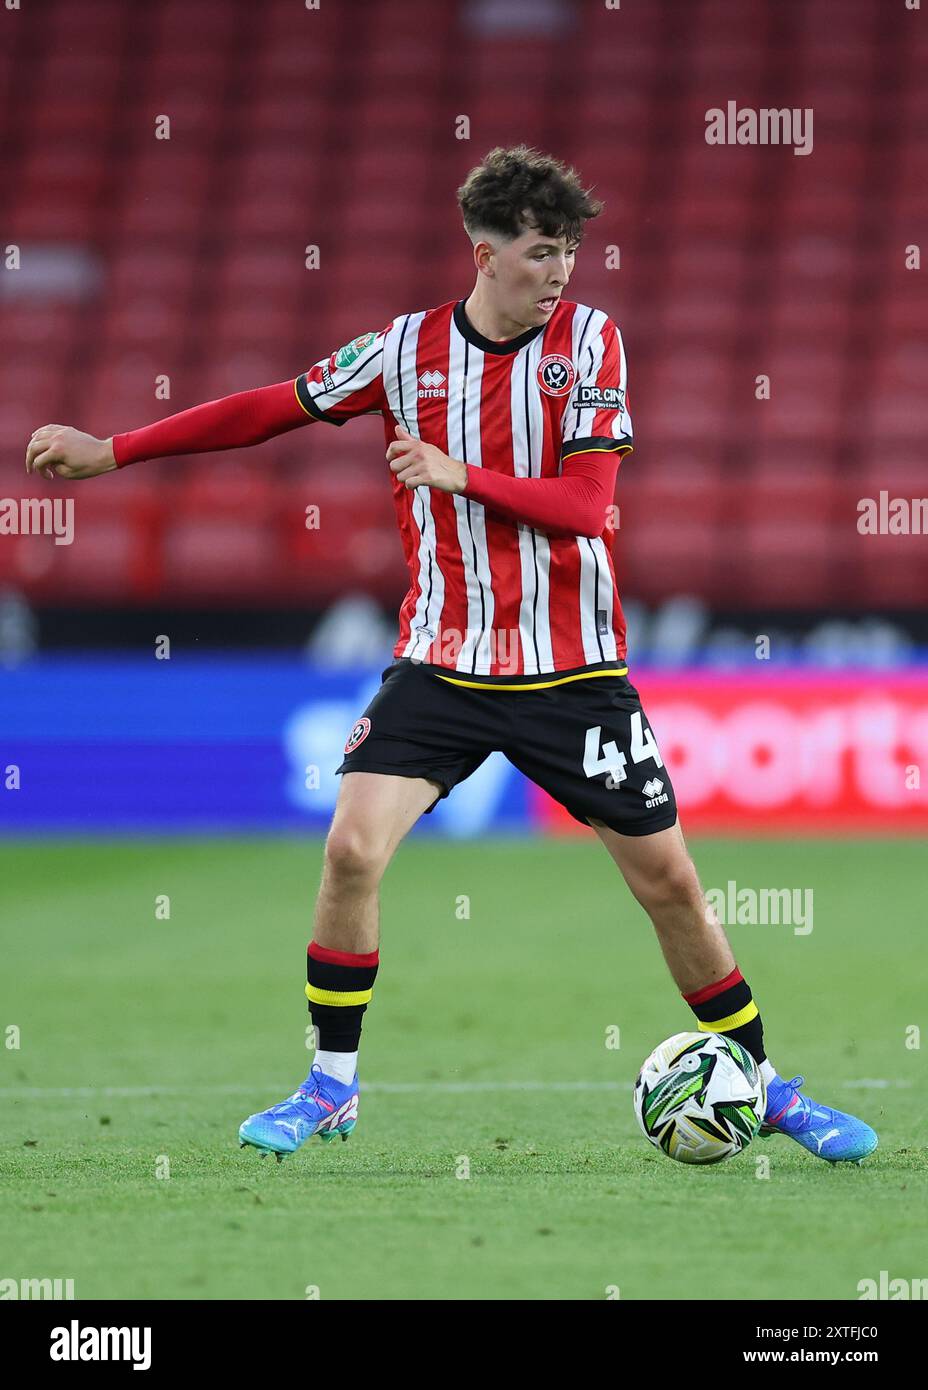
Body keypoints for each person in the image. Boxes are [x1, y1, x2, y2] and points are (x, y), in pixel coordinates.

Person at [25, 145, 877, 1165]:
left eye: (567, 253)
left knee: (672, 886)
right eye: (539, 252)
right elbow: (272, 406)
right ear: (484, 253)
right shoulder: (401, 352)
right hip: (442, 665)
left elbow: (587, 507)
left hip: (573, 674)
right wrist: (113, 449)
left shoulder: (592, 344)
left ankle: (766, 1084)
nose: (558, 272)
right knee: (349, 850)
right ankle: (330, 1088)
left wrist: (454, 471)